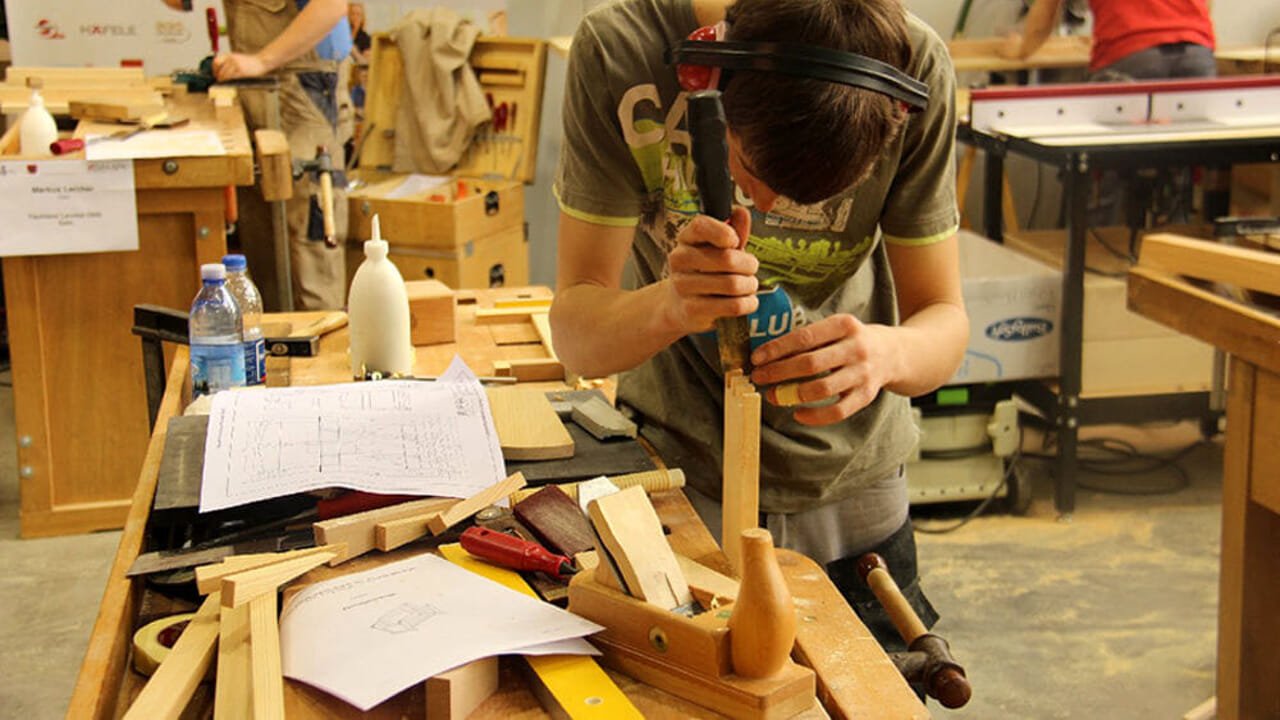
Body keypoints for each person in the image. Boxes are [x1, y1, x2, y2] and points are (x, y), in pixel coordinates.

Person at [550, 0, 967, 649]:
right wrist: (671, 305)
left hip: (856, 488)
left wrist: (887, 355)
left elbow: (944, 324)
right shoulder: (622, 49)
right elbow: (576, 335)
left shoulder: (913, 67)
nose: (768, 206)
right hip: (685, 480)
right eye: (756, 172)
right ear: (709, 77)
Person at [162, 0, 352, 311]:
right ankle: (272, 352)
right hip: (256, 90)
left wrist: (263, 60)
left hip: (301, 93)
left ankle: (321, 352)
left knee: (309, 242)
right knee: (265, 249)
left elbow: (332, 6)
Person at [1001, 0, 1216, 80]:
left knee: (1118, 160)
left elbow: (1045, 15)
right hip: (1196, 53)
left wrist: (1021, 50)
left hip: (1130, 55)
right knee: (1187, 157)